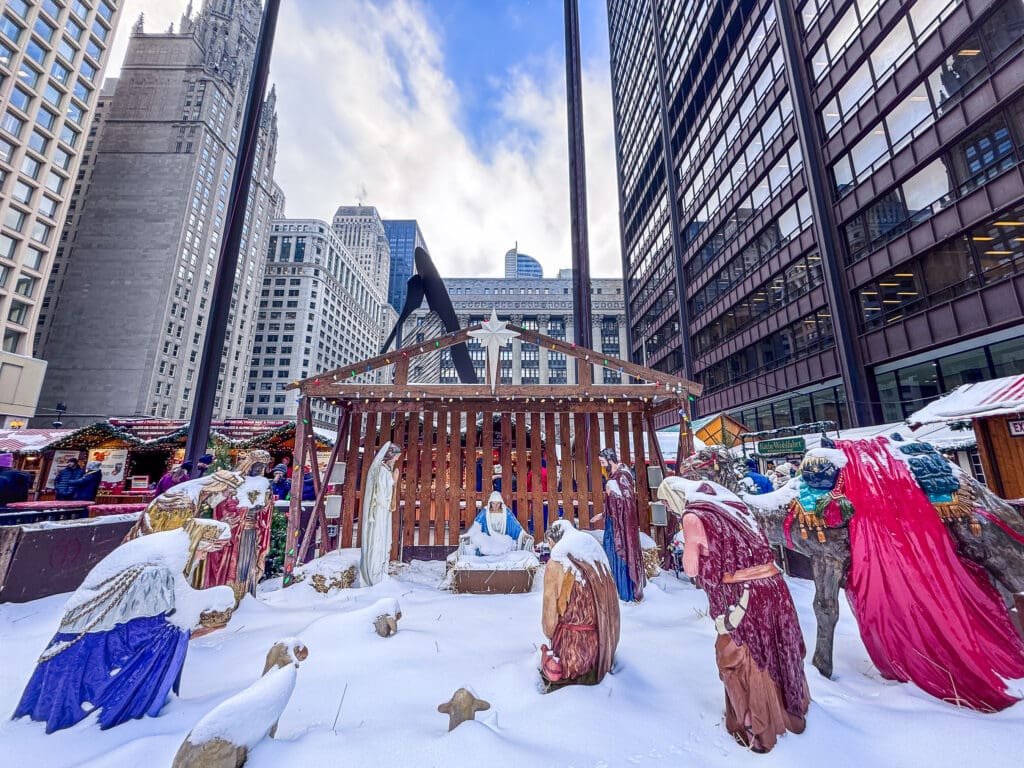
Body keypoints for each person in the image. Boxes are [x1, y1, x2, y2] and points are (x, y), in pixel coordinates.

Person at [12, 520, 235, 733]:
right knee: (168, 635)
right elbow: (170, 614)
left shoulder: (168, 548)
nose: (205, 556)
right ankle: (123, 705)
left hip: (100, 624)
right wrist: (214, 603)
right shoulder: (163, 564)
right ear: (198, 541)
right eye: (205, 550)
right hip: (100, 631)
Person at [657, 477, 809, 753]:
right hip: (774, 587)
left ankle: (757, 727)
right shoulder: (732, 505)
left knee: (737, 657)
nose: (669, 509)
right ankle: (790, 708)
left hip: (741, 595)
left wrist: (689, 551)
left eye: (667, 503)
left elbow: (691, 568)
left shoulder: (694, 515)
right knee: (777, 647)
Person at [129, 450, 274, 598]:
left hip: (246, 532)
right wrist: (228, 515)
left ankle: (242, 595)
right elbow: (214, 504)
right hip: (231, 532)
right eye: (258, 465)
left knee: (241, 566)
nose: (259, 469)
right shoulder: (216, 486)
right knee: (227, 565)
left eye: (262, 466)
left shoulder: (258, 484)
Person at [539, 520, 620, 691]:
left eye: (550, 544)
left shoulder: (557, 563)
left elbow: (549, 617)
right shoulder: (593, 553)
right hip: (599, 648)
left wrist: (549, 633)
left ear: (555, 541)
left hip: (569, 653)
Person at [596, 448, 645, 602]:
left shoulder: (622, 476)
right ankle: (616, 588)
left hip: (621, 527)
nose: (603, 466)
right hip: (615, 523)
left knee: (618, 552)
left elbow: (627, 501)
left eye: (603, 462)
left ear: (611, 460)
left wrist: (612, 493)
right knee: (610, 552)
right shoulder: (615, 476)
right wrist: (603, 514)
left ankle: (624, 591)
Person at [359, 442, 401, 587]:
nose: (396, 460)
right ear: (390, 456)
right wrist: (394, 482)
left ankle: (380, 572)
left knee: (383, 539)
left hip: (383, 512)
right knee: (379, 539)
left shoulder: (385, 471)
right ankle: (375, 574)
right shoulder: (383, 472)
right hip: (380, 513)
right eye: (396, 457)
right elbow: (383, 496)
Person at [462, 491, 534, 554]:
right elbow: (476, 526)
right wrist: (468, 535)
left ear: (501, 503)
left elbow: (515, 526)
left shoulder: (506, 513)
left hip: (503, 540)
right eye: (493, 503)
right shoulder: (485, 512)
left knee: (505, 546)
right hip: (489, 540)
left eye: (497, 503)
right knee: (484, 546)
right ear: (490, 503)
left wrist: (523, 535)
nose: (495, 506)